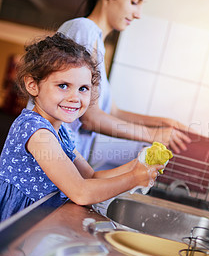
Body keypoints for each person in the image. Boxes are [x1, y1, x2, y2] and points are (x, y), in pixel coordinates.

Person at [0, 33, 163, 222]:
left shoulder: (60, 132)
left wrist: (136, 166)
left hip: (36, 224)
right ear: (32, 85)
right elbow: (80, 192)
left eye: (83, 88)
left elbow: (91, 177)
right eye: (63, 85)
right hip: (14, 229)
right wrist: (134, 178)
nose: (75, 97)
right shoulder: (37, 132)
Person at [58, 0, 191, 170]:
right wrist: (153, 134)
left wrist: (162, 123)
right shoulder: (84, 30)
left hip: (68, 168)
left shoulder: (96, 41)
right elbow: (90, 117)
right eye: (135, 1)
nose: (138, 13)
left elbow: (112, 111)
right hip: (50, 167)